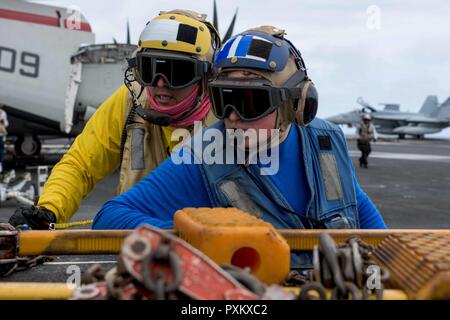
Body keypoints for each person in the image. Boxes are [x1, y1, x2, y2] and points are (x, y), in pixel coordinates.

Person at [92, 26, 386, 269]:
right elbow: (110, 218)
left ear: (293, 104)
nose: (231, 116)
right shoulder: (206, 154)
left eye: (249, 102)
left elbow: (362, 217)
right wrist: (198, 235)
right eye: (224, 100)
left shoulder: (326, 142)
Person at [8, 10, 220, 230]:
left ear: (206, 76)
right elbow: (82, 163)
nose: (160, 83)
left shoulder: (227, 110)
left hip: (215, 241)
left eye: (177, 72)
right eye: (149, 69)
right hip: (137, 239)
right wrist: (49, 210)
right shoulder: (133, 99)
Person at [0, 106, 8, 173]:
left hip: (0, 135)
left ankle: (1, 169)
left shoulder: (2, 113)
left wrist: (3, 122)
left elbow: (6, 124)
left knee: (1, 152)